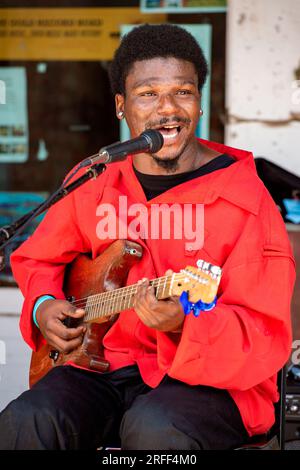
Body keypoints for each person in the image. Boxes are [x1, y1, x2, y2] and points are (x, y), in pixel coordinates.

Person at [0, 24, 295, 450]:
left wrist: (186, 324)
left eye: (183, 91)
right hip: (101, 366)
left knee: (156, 431)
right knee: (27, 421)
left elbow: (264, 333)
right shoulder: (93, 180)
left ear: (199, 100)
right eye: (148, 94)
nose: (168, 109)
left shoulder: (245, 199)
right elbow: (39, 261)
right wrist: (44, 307)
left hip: (209, 381)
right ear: (121, 105)